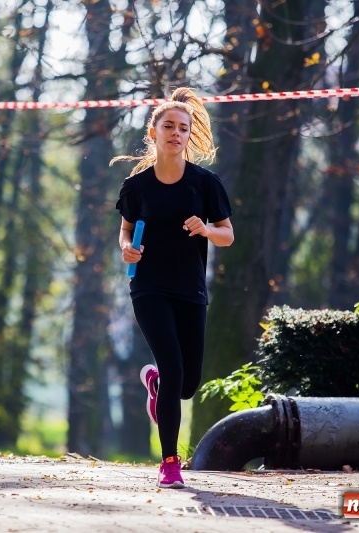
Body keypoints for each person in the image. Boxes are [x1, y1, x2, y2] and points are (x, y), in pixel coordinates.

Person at [112, 87, 234, 489]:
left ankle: (155, 383)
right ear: (154, 132)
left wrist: (207, 229)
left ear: (188, 135)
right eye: (168, 126)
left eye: (183, 128)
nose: (176, 133)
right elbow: (126, 229)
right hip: (148, 287)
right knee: (173, 366)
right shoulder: (137, 186)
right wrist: (127, 248)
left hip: (190, 288)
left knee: (186, 384)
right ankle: (170, 463)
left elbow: (228, 235)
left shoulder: (205, 184)